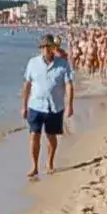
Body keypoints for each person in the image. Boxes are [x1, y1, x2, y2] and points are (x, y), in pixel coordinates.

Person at [21, 34, 74, 178]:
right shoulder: (32, 63)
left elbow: (69, 85)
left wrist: (69, 105)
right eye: (42, 47)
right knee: (34, 136)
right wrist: (24, 106)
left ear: (53, 47)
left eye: (47, 46)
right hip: (35, 106)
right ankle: (34, 166)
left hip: (54, 106)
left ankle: (49, 162)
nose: (45, 49)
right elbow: (27, 85)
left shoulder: (62, 64)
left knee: (51, 137)